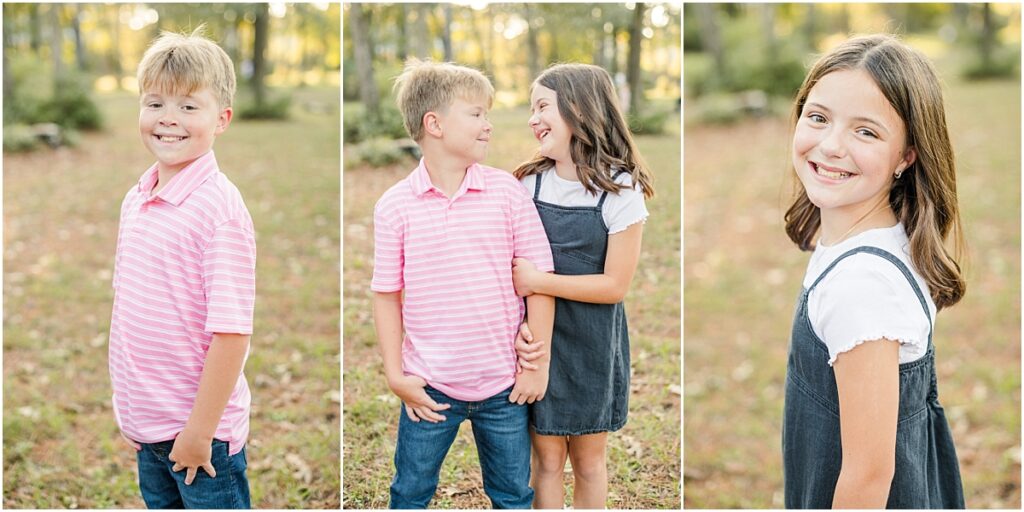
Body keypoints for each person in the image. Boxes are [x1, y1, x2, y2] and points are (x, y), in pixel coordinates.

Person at [781, 34, 965, 508]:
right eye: (818, 117)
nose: (831, 145)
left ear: (907, 155)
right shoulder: (874, 240)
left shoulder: (860, 285)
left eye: (866, 131)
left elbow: (867, 478)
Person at [371, 59, 555, 509]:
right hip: (428, 387)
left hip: (504, 385)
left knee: (513, 494)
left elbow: (540, 281)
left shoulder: (506, 192)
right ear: (433, 124)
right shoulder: (395, 206)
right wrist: (397, 375)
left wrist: (537, 364)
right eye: (476, 114)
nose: (488, 125)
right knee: (410, 491)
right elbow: (386, 295)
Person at [108, 27, 256, 509]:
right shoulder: (137, 198)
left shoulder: (220, 211)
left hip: (201, 436)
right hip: (147, 423)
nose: (168, 119)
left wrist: (198, 431)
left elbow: (232, 334)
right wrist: (128, 405)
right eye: (155, 103)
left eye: (188, 107)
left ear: (222, 119)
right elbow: (129, 309)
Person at [510, 63, 654, 509]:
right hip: (539, 339)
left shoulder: (619, 190)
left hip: (592, 342)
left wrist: (541, 280)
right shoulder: (527, 183)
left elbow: (615, 285)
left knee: (589, 462)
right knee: (547, 460)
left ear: (578, 108)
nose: (532, 119)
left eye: (542, 106)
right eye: (531, 108)